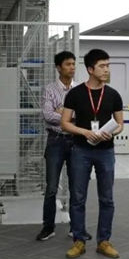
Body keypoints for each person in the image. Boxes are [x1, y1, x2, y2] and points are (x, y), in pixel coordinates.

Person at [60, 49, 124, 259]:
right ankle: (79, 241)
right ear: (90, 69)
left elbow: (120, 124)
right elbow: (65, 123)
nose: (106, 70)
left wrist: (111, 132)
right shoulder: (75, 94)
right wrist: (84, 132)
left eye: (108, 66)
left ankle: (104, 241)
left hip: (106, 151)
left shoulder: (113, 95)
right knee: (78, 198)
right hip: (81, 151)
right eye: (102, 66)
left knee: (107, 198)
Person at [35, 51, 91, 242]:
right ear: (58, 67)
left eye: (74, 64)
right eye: (68, 64)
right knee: (51, 187)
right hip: (56, 141)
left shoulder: (81, 89)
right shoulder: (49, 89)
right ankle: (48, 227)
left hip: (77, 141)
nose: (72, 67)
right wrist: (71, 116)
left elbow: (85, 116)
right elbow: (47, 115)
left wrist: (63, 113)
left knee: (77, 187)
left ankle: (77, 228)